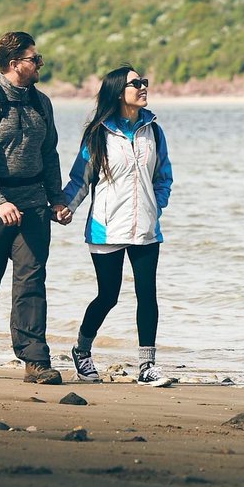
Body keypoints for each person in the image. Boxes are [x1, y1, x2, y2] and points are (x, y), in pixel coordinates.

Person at [0, 31, 68, 384]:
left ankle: (35, 360)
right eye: (34, 59)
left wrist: (57, 199)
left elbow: (49, 154)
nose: (40, 64)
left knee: (32, 281)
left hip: (34, 203)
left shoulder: (42, 103)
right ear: (13, 65)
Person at [61, 65, 174, 387]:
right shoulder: (98, 133)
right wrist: (66, 208)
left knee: (147, 294)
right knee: (107, 295)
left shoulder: (153, 130)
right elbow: (80, 178)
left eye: (144, 82)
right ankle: (81, 351)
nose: (143, 87)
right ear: (117, 91)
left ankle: (147, 366)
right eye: (135, 83)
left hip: (146, 228)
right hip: (106, 226)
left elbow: (163, 176)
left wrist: (157, 204)